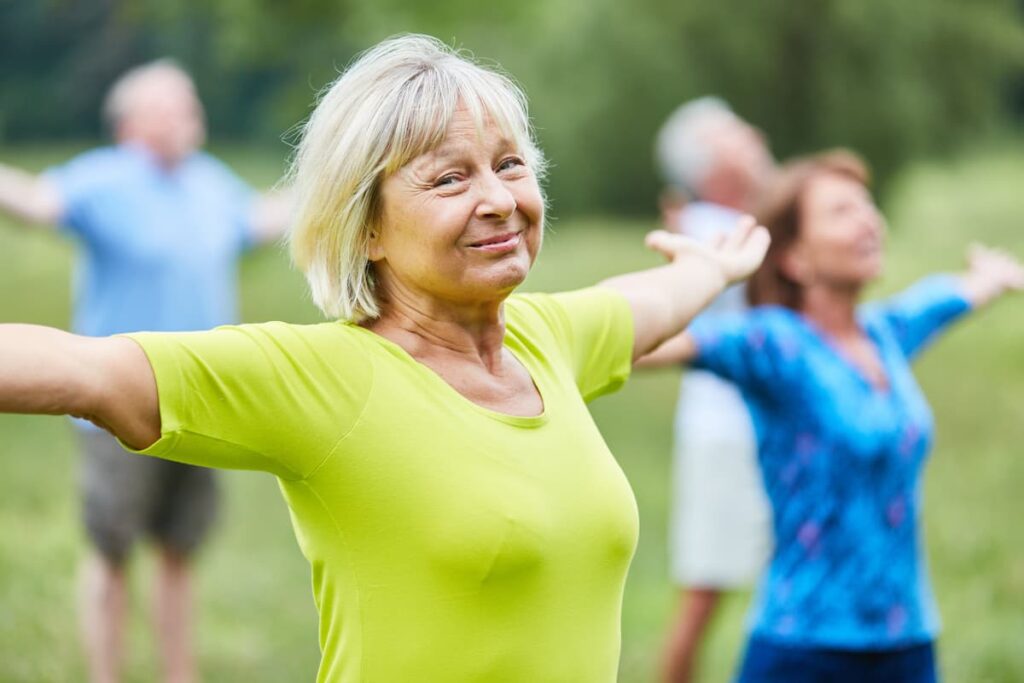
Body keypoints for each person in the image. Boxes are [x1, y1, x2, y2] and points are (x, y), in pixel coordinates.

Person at [0, 35, 771, 682]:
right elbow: (85, 370)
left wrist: (710, 267)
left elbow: (644, 304)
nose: (499, 198)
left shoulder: (548, 339)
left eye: (509, 164)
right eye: (449, 178)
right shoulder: (326, 380)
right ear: (364, 229)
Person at [638, 150, 1023, 683]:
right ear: (795, 258)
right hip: (805, 650)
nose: (869, 220)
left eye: (867, 206)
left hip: (908, 642)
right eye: (842, 211)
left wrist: (988, 279)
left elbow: (943, 297)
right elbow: (650, 344)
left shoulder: (884, 334)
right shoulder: (774, 343)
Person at [0, 60, 291, 683]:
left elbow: (266, 219)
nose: (191, 113)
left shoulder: (210, 182)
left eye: (191, 102)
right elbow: (34, 202)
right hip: (116, 399)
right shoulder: (104, 179)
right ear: (132, 123)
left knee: (180, 550)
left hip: (203, 397)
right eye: (175, 104)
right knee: (111, 552)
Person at [653, 97, 775, 683]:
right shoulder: (713, 229)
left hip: (749, 427)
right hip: (726, 434)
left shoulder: (720, 221)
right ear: (708, 168)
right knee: (704, 593)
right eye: (732, 134)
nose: (750, 135)